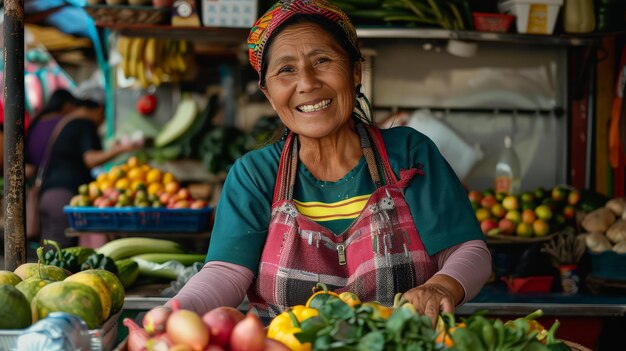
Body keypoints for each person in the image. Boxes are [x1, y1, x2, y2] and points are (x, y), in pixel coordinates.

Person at [170, 0, 491, 325]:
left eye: (322, 60)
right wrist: (175, 313)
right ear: (268, 93)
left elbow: (468, 251)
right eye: (286, 70)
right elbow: (225, 272)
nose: (307, 83)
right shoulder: (255, 174)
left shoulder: (408, 154)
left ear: (355, 71)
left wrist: (441, 286)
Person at [38, 85, 141, 247]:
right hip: (63, 197)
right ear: (99, 109)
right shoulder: (85, 123)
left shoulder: (69, 122)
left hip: (49, 196)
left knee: (50, 252)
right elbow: (90, 159)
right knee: (56, 255)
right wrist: (121, 149)